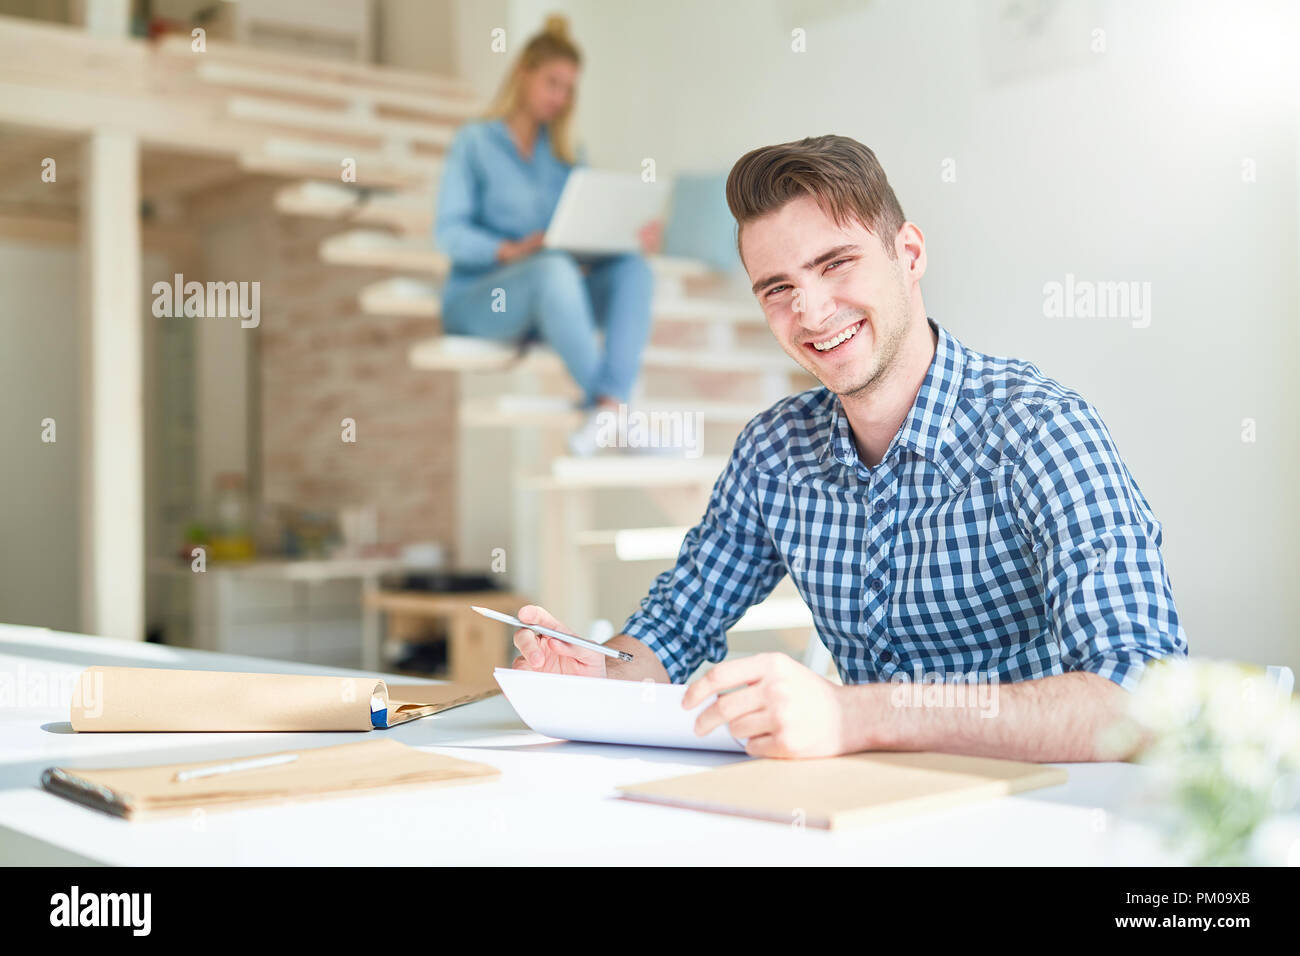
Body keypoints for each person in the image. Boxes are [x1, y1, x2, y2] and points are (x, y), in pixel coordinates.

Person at [509, 134, 1188, 763]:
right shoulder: (774, 451)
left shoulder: (1042, 432)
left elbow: (1141, 700)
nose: (810, 310)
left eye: (835, 263)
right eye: (778, 289)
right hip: (862, 811)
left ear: (911, 255)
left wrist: (856, 716)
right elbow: (674, 630)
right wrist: (600, 673)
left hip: (1042, 814)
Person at [434, 16, 659, 456]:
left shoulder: (568, 156)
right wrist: (510, 249)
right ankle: (613, 408)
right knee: (552, 269)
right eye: (552, 83)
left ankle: (609, 407)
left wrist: (625, 237)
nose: (560, 97)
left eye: (569, 89)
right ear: (523, 73)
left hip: (555, 298)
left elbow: (585, 231)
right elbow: (448, 233)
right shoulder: (474, 143)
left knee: (633, 269)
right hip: (481, 298)